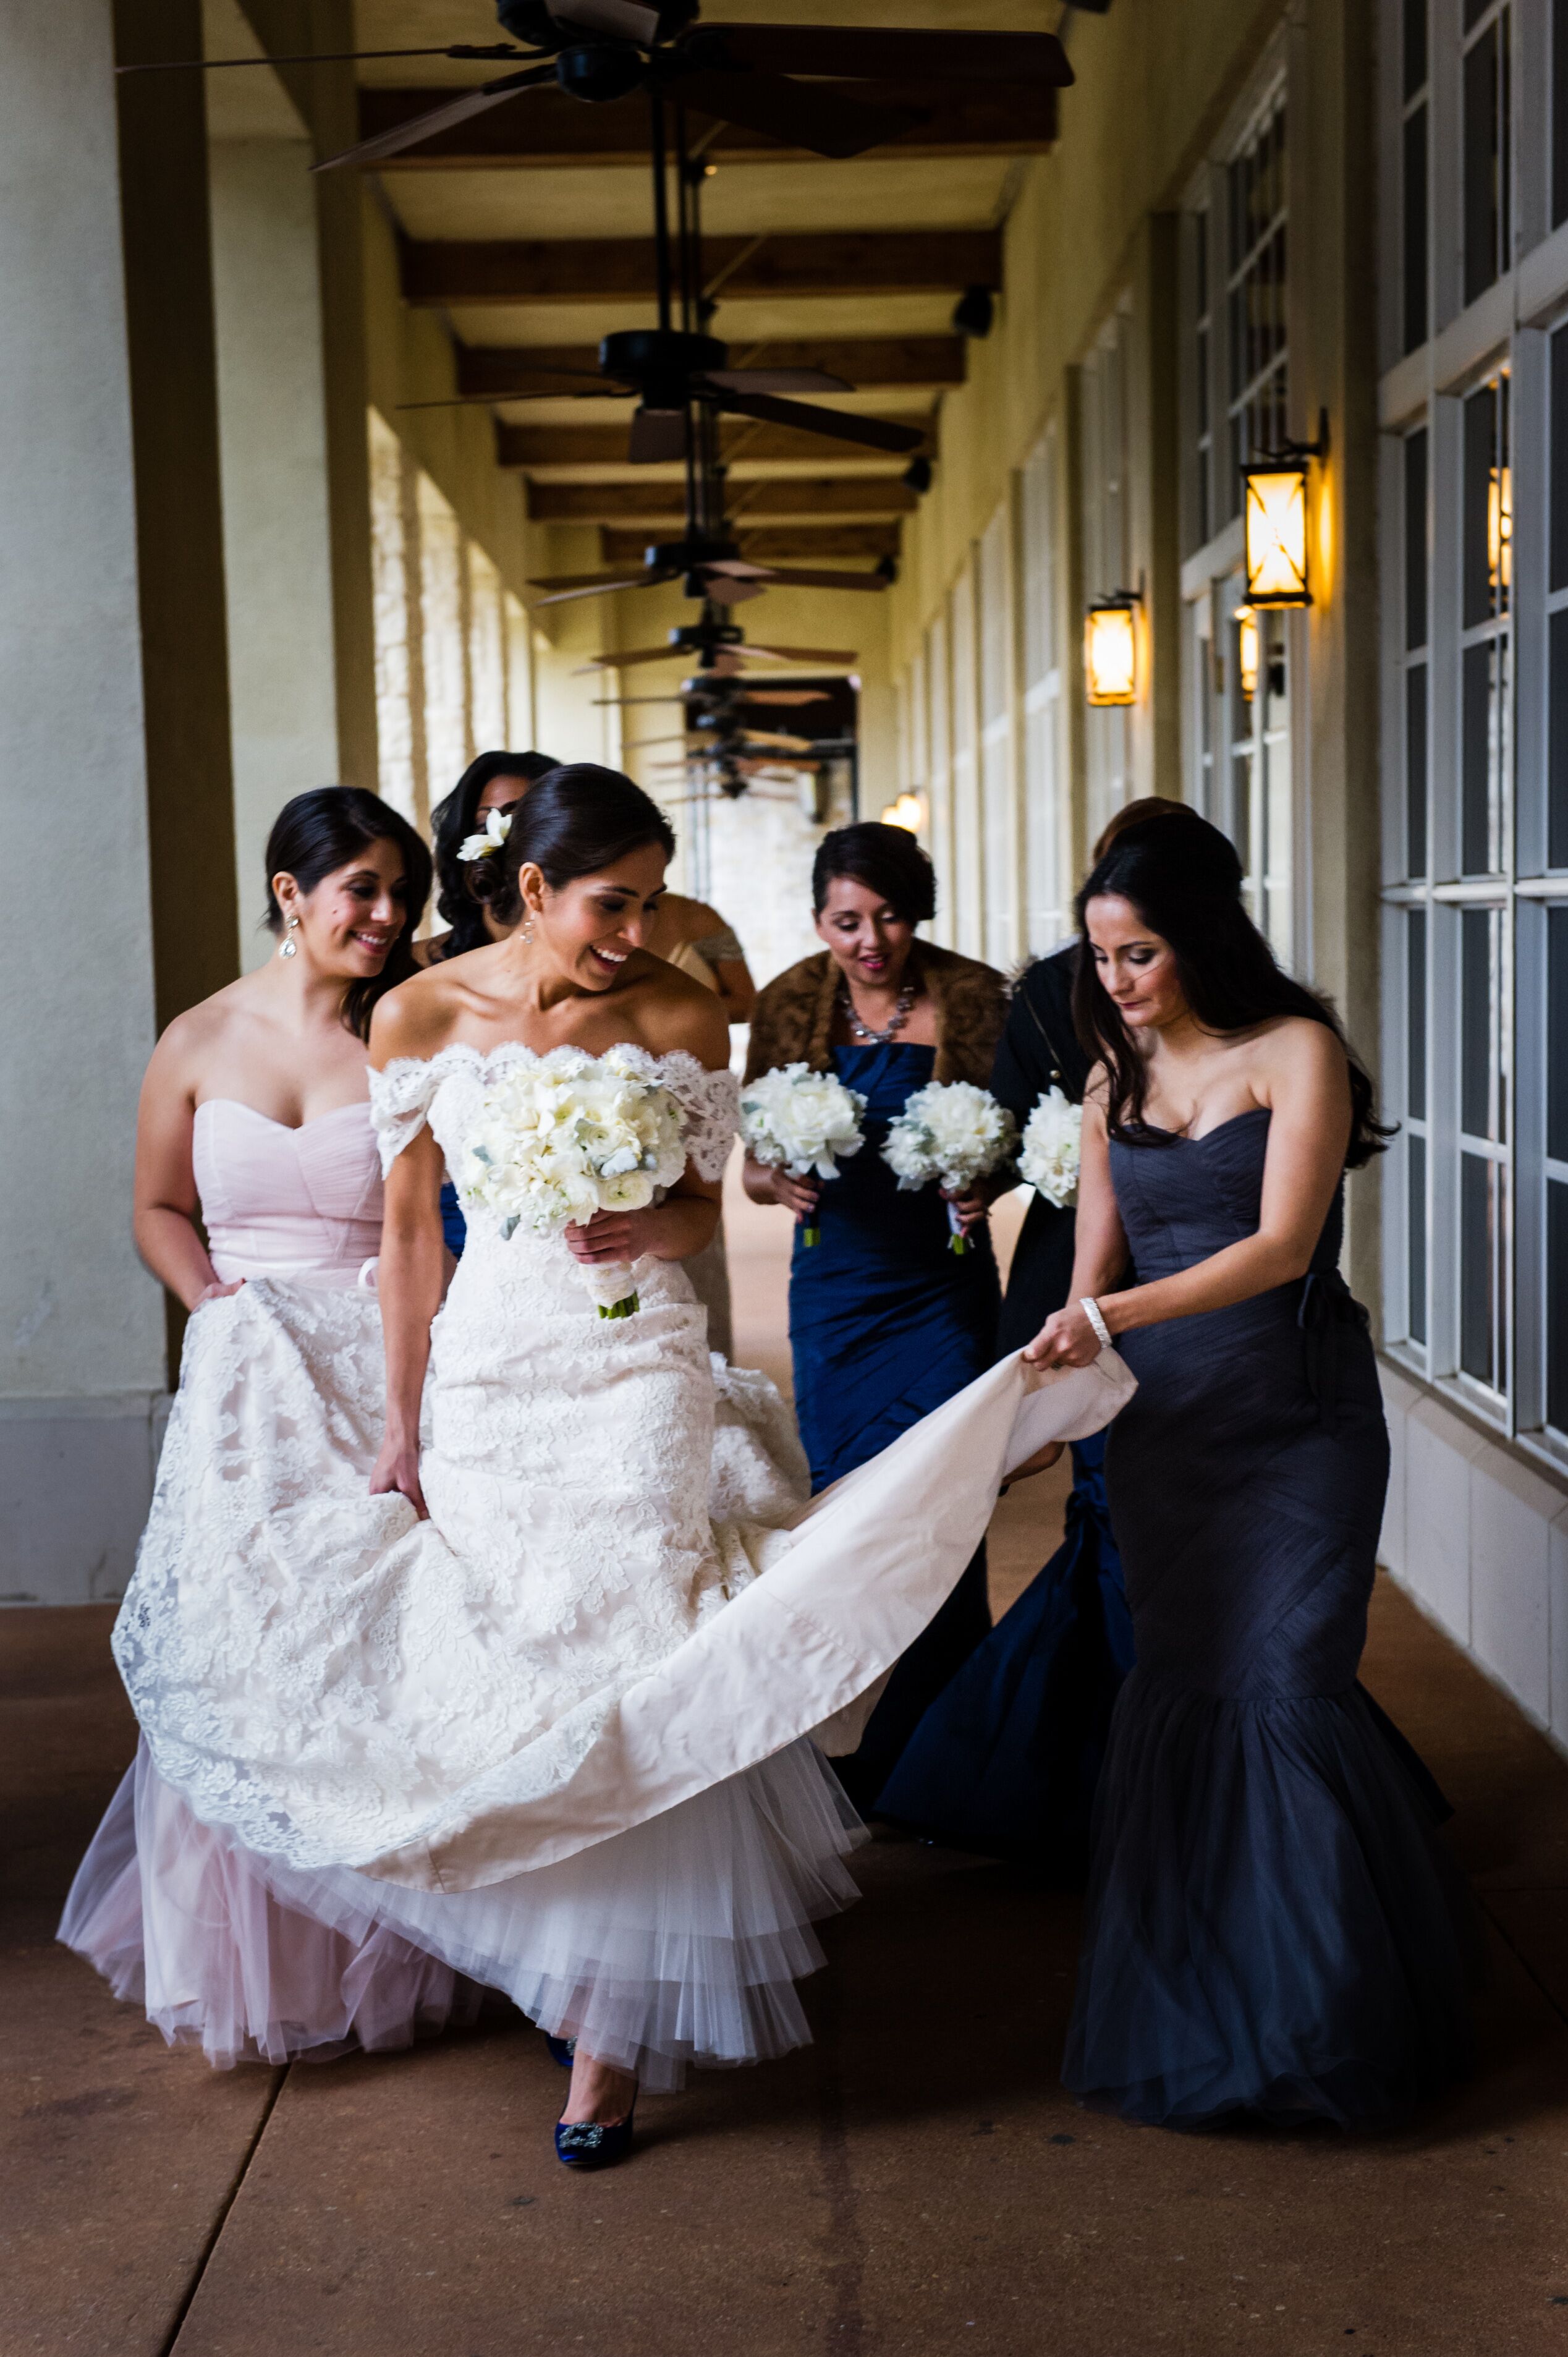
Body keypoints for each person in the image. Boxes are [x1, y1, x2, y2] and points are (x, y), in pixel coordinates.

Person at [63, 768, 1107, 2172]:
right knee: (527, 1662)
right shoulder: (418, 1015)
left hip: (633, 1374)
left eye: (655, 898)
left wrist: (649, 1231)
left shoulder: (677, 1011)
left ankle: (611, 2031)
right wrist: (402, 1419)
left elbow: (694, 1204)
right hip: (491, 1370)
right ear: (536, 888)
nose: (639, 929)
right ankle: (555, 1950)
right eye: (613, 902)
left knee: (640, 1645)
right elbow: (416, 1235)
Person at [1026, 813, 1478, 2128]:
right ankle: (1211, 1998)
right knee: (1184, 1685)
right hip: (1162, 1430)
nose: (1115, 980)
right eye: (1101, 954)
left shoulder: (1295, 1052)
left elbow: (1283, 1246)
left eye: (1140, 951)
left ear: (1201, 936)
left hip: (1292, 1419)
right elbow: (1088, 1269)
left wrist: (1110, 1321)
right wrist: (1064, 1357)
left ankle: (1326, 2020)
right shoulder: (1109, 1078)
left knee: (1284, 1681)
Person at [876, 798, 1200, 1874]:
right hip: (1086, 1269)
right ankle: (1110, 1757)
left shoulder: (1252, 1019)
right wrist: (979, 1182)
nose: (1116, 967)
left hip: (1188, 1285)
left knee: (1148, 1515)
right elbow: (1015, 1131)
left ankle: (1143, 1753)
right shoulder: (1063, 996)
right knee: (1109, 1502)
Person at [742, 823, 1008, 1811]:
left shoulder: (978, 996)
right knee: (846, 1518)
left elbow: (1026, 1131)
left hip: (941, 1288)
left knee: (945, 1509)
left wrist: (994, 1182)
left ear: (918, 909)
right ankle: (848, 1734)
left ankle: (948, 1752)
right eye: (847, 921)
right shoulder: (787, 1003)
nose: (869, 940)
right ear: (818, 920)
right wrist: (777, 1181)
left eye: (888, 916)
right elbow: (752, 1169)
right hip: (837, 1295)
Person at [417, 749, 560, 1256]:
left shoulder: (590, 969)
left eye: (529, 817)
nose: (510, 833)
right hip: (439, 1226)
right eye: (493, 821)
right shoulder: (416, 976)